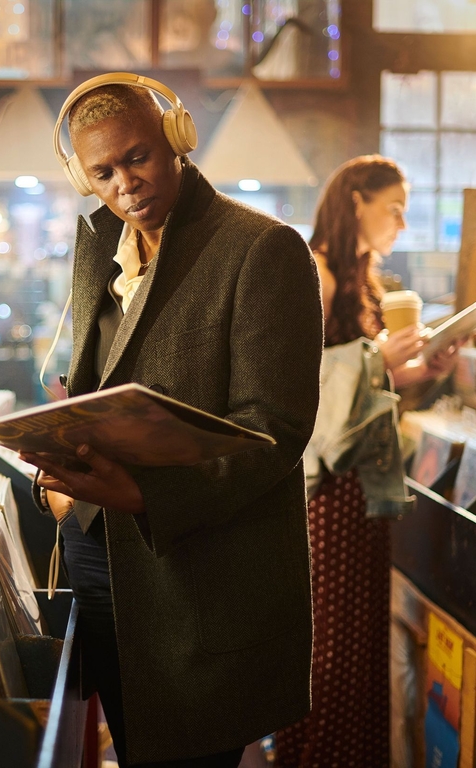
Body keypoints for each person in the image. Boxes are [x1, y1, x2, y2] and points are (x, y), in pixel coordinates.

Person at [20, 74, 324, 768]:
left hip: (199, 579)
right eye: (102, 170)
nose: (124, 182)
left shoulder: (262, 249)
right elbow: (93, 388)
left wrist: (144, 495)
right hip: (101, 560)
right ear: (82, 176)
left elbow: (274, 433)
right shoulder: (101, 246)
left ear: (177, 142)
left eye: (138, 157)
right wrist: (59, 482)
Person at [274, 155, 461, 767]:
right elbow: (298, 391)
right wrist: (379, 354)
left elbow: (368, 396)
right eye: (395, 210)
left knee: (357, 641)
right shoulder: (315, 272)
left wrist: (420, 371)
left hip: (362, 483)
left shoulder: (363, 282)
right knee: (331, 641)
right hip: (325, 490)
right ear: (357, 200)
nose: (402, 225)